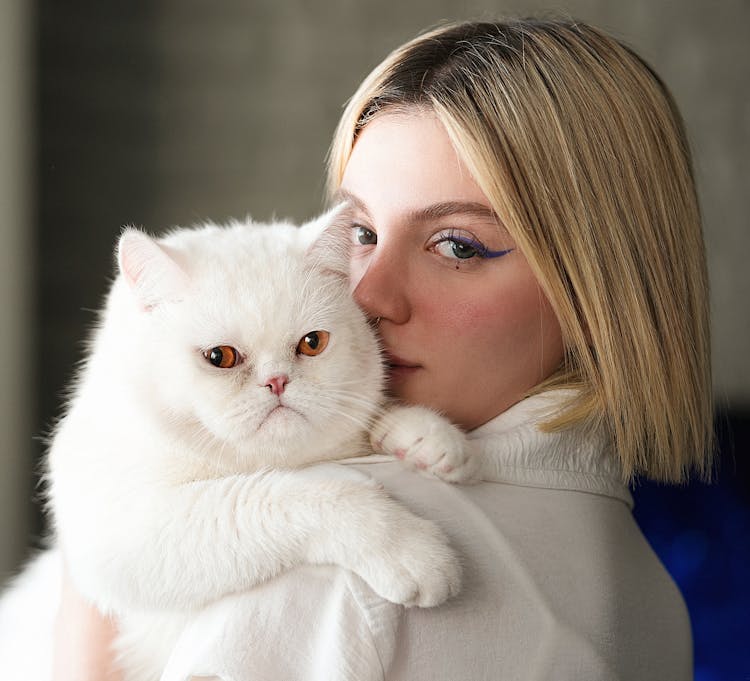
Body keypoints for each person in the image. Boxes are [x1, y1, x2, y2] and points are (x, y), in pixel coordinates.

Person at [54, 17, 713, 680]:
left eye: (458, 246)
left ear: (600, 287)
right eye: (362, 232)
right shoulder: (655, 594)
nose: (368, 297)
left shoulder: (340, 577)